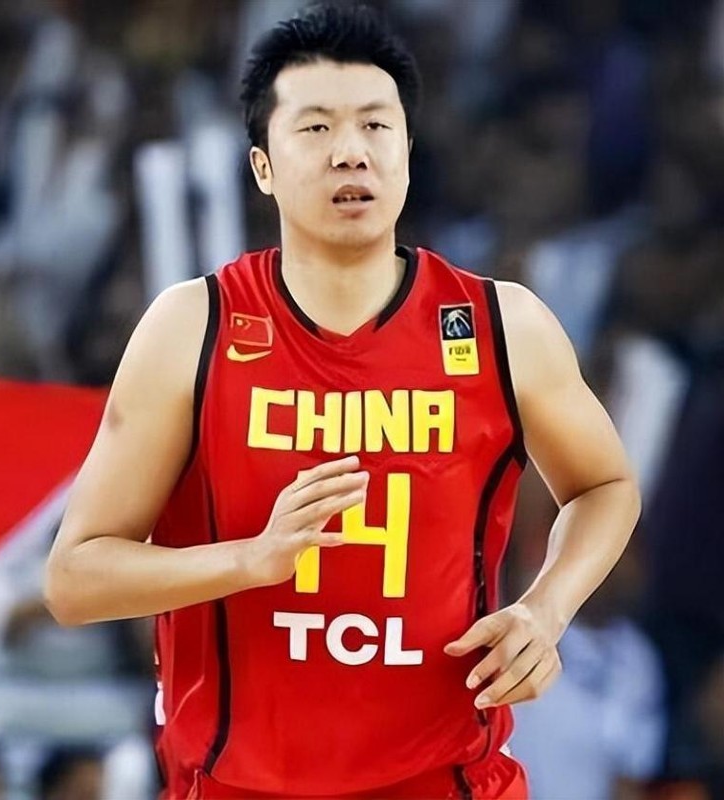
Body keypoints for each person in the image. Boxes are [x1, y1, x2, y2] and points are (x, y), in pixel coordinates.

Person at [44, 5, 641, 799]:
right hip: (240, 784)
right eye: (317, 128)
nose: (351, 151)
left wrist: (547, 609)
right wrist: (249, 560)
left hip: (447, 779)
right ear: (262, 166)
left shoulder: (501, 325)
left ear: (407, 152)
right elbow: (74, 579)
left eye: (375, 125)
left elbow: (606, 485)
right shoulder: (193, 326)